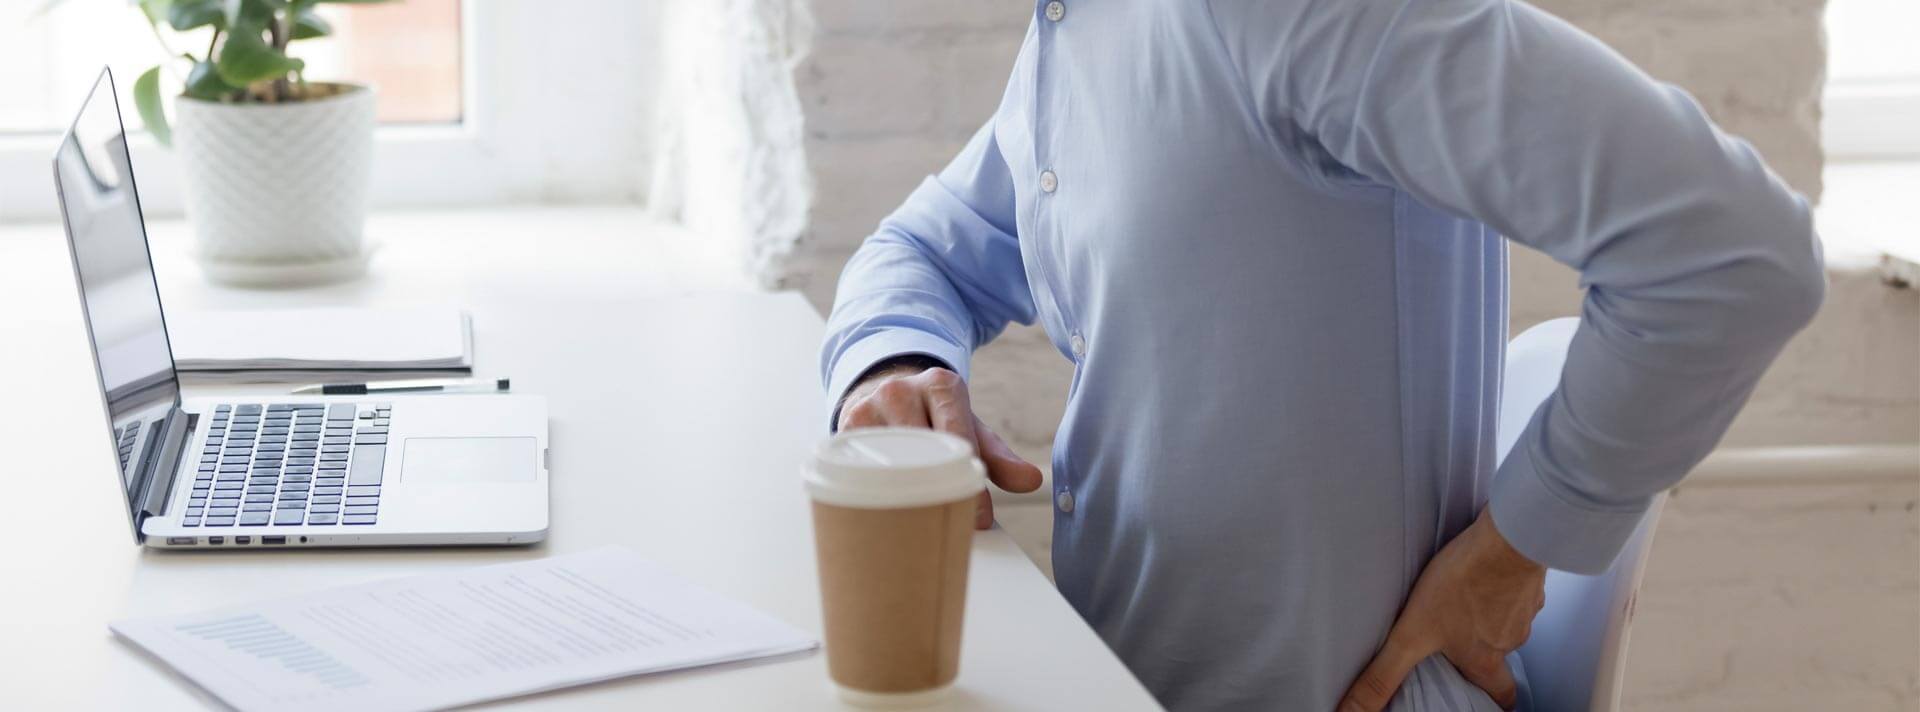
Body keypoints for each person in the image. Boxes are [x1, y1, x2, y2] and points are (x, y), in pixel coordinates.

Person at [818, 0, 1825, 709]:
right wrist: (891, 367)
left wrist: (1517, 548)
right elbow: (924, 249)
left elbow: (1739, 252)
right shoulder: (1079, 29)